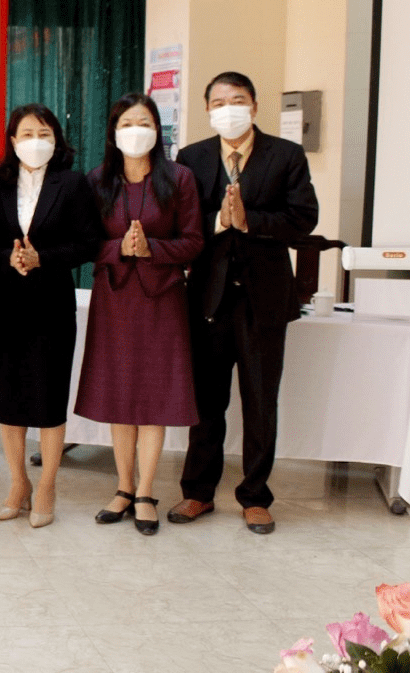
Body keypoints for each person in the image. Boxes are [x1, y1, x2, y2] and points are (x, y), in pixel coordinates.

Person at [168, 71, 318, 535]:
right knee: (206, 401)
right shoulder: (191, 157)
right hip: (208, 298)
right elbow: (180, 223)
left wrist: (250, 220)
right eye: (218, 102)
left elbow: (303, 219)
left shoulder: (286, 155)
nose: (227, 109)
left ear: (253, 105)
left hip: (264, 299)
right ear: (207, 110)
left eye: (237, 100)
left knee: (260, 401)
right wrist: (219, 220)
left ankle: (255, 497)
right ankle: (198, 492)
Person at [73, 93, 203, 535]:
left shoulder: (179, 178)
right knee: (120, 396)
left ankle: (146, 492)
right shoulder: (97, 181)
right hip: (115, 298)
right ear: (113, 132)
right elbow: (83, 243)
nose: (135, 131)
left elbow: (194, 241)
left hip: (162, 298)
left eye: (144, 123)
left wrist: (152, 249)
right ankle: (123, 488)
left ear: (157, 130)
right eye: (127, 123)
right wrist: (118, 248)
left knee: (153, 398)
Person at [0, 104, 100, 528]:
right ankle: (18, 482)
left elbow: (88, 243)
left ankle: (47, 485)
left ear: (56, 140)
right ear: (12, 141)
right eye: (27, 133)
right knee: (7, 397)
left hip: (52, 304)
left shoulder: (74, 183)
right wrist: (8, 258)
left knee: (48, 396)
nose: (35, 141)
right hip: (5, 303)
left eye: (44, 133)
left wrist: (43, 258)